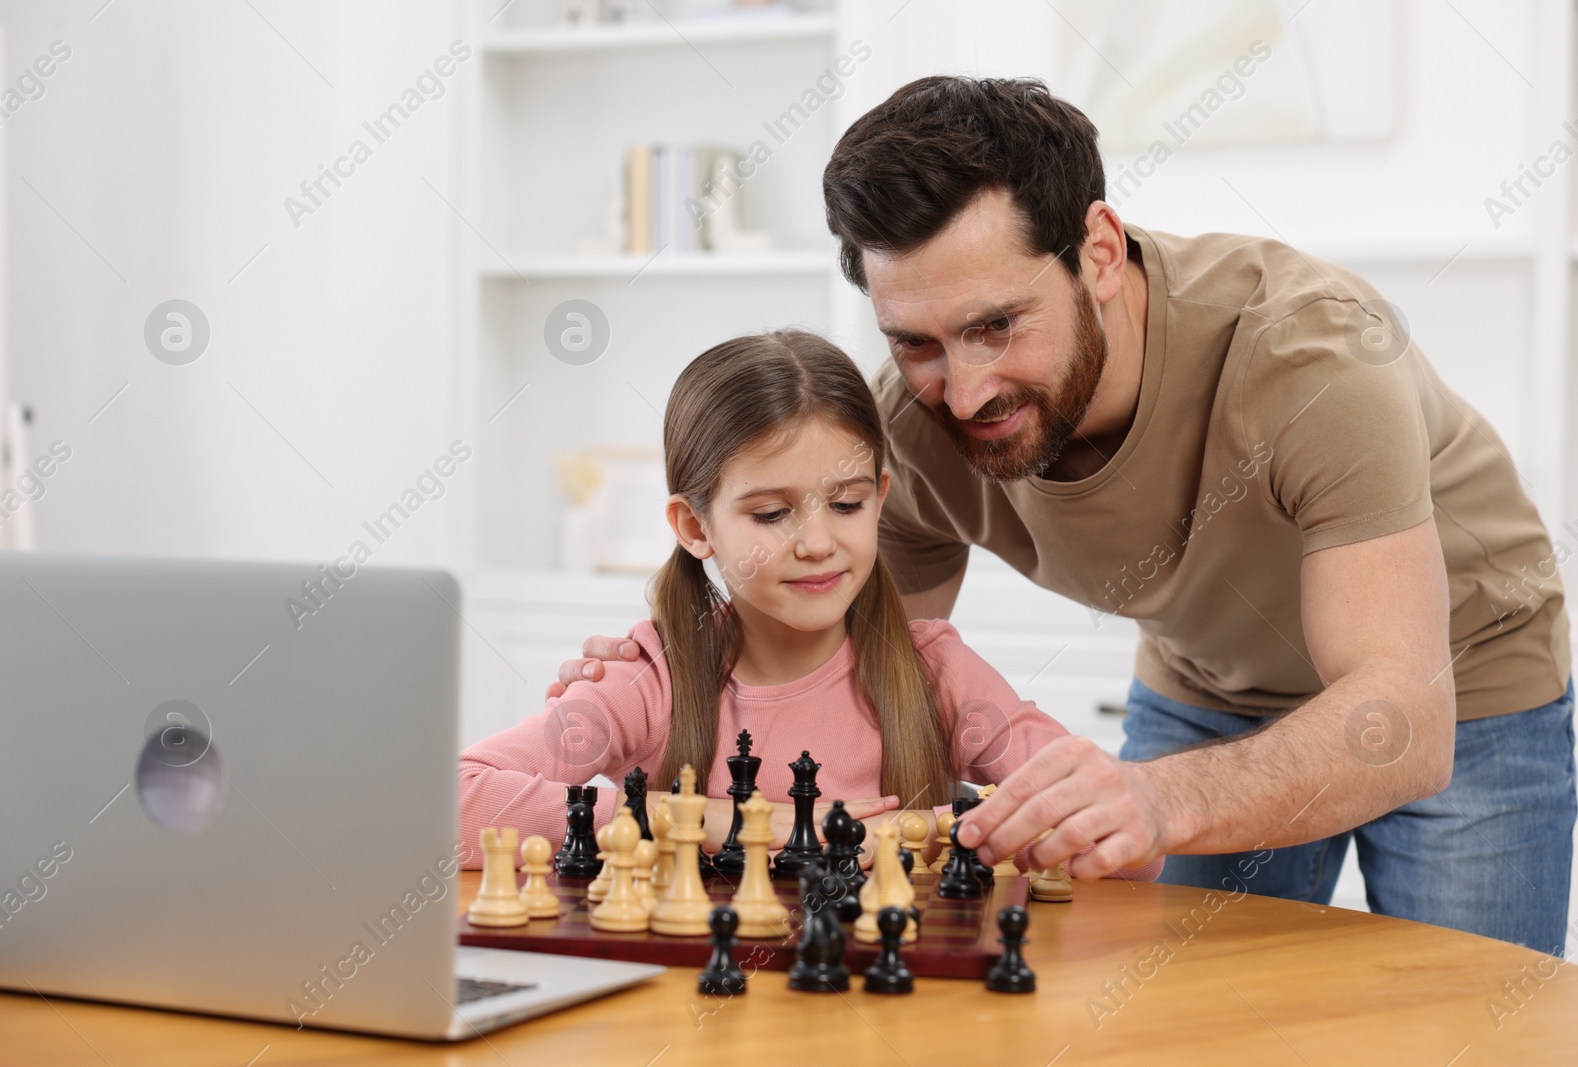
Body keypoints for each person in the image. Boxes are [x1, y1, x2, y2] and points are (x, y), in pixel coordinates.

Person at [547, 76, 1575, 953]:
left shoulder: (1309, 357)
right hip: (1208, 683)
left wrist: (1161, 797)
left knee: (1469, 1021)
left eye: (996, 324)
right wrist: (670, 671)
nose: (962, 388)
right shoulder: (906, 431)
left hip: (1460, 682)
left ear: (1097, 249)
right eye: (917, 341)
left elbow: (1402, 715)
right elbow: (848, 670)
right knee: (1186, 1021)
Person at [459, 329, 1161, 879]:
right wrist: (715, 823)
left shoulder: (936, 672)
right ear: (696, 528)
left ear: (881, 499)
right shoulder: (651, 678)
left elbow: (1130, 846)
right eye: (771, 514)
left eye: (847, 503)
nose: (820, 542)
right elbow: (446, 800)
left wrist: (926, 828)